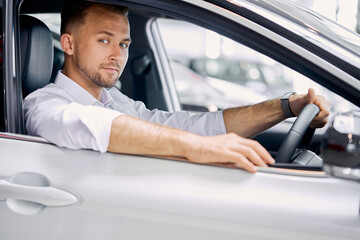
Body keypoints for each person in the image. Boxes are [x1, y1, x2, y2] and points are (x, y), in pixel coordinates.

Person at [24, 0, 330, 173]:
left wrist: (287, 106)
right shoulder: (44, 105)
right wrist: (199, 147)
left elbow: (194, 125)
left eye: (124, 43)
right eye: (104, 40)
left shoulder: (114, 101)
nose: (118, 55)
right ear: (68, 44)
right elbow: (97, 126)